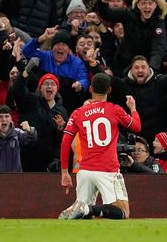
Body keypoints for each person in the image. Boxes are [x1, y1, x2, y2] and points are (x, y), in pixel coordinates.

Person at [59, 73, 140, 220]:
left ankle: (84, 209)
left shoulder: (78, 113)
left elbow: (65, 142)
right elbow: (137, 126)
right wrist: (133, 109)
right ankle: (87, 208)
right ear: (109, 90)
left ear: (90, 89)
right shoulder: (115, 110)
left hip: (85, 171)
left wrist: (65, 172)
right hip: (107, 170)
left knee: (84, 218)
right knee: (123, 213)